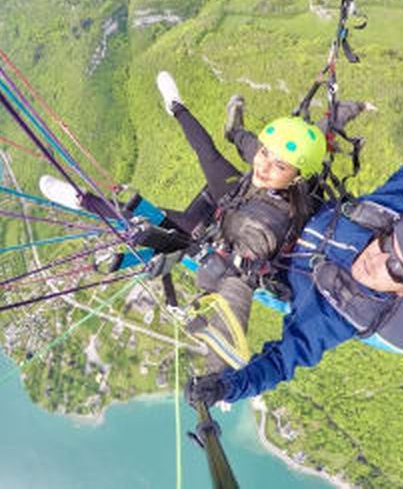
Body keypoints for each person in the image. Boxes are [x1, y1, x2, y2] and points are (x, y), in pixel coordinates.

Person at [41, 71, 328, 370]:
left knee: (155, 222)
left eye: (279, 165)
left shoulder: (262, 230)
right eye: (265, 153)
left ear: (297, 177)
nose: (263, 165)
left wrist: (219, 369)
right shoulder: (284, 175)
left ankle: (83, 201)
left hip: (226, 232)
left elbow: (237, 291)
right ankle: (177, 106)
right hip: (238, 199)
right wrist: (241, 136)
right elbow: (257, 152)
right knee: (208, 154)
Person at [184, 121, 403, 406]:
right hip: (291, 208)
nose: (376, 259)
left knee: (194, 250)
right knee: (264, 160)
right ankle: (235, 132)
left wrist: (225, 389)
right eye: (385, 244)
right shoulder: (382, 214)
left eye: (394, 267)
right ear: (388, 230)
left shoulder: (337, 313)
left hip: (257, 255)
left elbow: (281, 362)